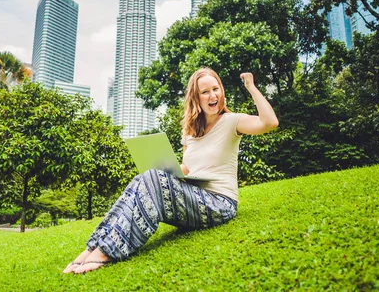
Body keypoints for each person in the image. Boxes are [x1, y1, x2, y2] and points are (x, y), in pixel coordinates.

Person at [63, 67, 279, 274]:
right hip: (194, 196)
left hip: (220, 204)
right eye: (205, 92)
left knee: (152, 179)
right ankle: (92, 248)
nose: (212, 95)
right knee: (143, 178)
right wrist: (167, 169)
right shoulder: (191, 131)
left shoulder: (232, 122)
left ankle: (105, 252)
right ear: (196, 98)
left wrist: (250, 86)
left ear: (222, 91)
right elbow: (186, 167)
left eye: (216, 89)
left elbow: (269, 123)